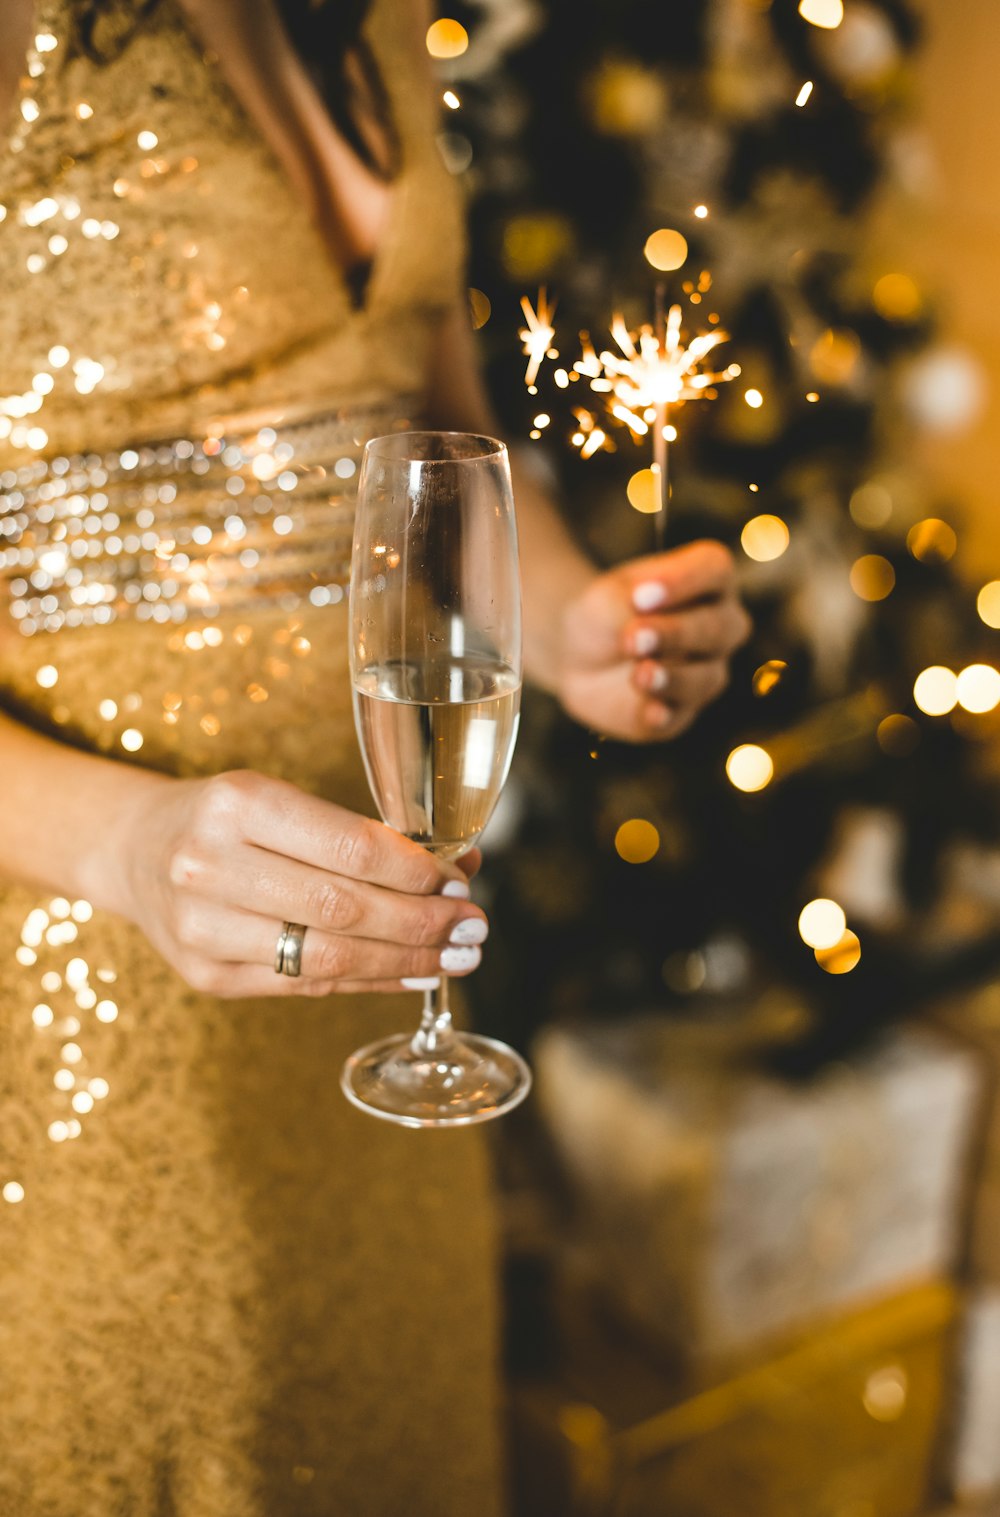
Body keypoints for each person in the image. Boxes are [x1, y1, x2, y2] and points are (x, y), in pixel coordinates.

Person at [0, 1, 750, 1512]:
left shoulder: (376, 20)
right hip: (82, 1008)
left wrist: (570, 629)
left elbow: (421, 423)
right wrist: (125, 846)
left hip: (379, 991)